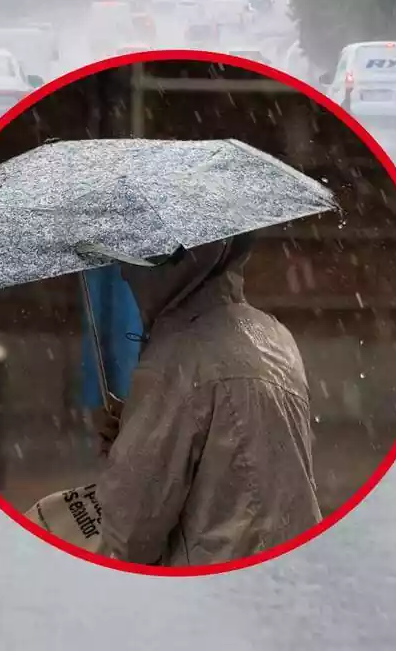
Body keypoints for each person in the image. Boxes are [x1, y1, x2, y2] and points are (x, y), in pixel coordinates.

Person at [91, 232, 322, 565]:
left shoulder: (177, 358)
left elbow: (131, 534)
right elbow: (240, 457)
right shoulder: (273, 334)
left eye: (137, 260)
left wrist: (127, 455)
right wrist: (138, 427)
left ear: (170, 265)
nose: (126, 273)